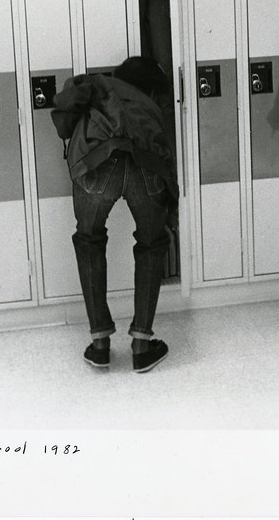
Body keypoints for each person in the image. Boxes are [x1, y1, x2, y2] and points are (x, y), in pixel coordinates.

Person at [51, 56, 177, 371]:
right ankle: (141, 343)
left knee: (89, 239)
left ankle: (100, 343)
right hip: (143, 167)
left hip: (97, 163)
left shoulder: (99, 89)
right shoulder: (146, 105)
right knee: (152, 242)